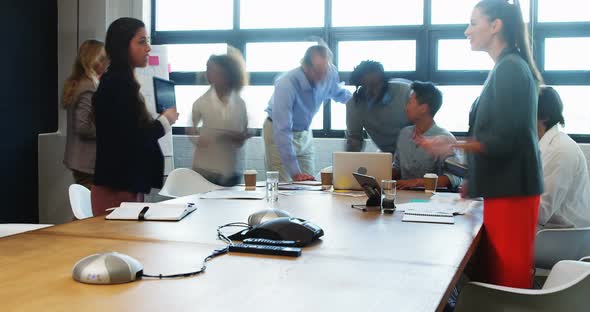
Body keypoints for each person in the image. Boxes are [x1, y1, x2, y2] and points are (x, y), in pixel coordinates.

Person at [418, 0, 543, 288]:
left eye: (474, 23)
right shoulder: (506, 66)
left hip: (512, 192)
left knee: (506, 285)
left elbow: (505, 140)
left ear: (496, 25)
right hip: (505, 190)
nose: (467, 31)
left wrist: (453, 145)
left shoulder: (510, 68)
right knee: (497, 278)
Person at [91, 17, 178, 216]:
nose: (148, 48)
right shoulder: (117, 84)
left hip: (126, 184)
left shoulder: (121, 82)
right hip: (116, 187)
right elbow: (134, 138)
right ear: (123, 45)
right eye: (141, 41)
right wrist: (166, 120)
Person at [264, 45, 352, 182]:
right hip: (278, 132)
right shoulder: (286, 83)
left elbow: (338, 93)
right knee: (284, 187)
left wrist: (359, 102)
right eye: (318, 71)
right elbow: (283, 129)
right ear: (305, 66)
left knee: (308, 185)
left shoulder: (329, 73)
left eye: (326, 70)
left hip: (304, 133)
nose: (323, 76)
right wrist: (294, 172)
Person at [191, 48, 249, 186]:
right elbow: (192, 131)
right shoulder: (200, 102)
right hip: (204, 171)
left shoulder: (240, 104)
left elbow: (242, 138)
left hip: (231, 172)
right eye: (207, 69)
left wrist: (236, 136)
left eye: (212, 69)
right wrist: (195, 136)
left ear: (226, 73)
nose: (208, 73)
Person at [537, 86, 590, 228]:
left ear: (544, 116)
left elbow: (541, 212)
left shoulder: (560, 151)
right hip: (548, 230)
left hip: (561, 237)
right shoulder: (543, 146)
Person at [393, 81, 462, 190]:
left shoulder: (445, 138)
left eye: (410, 103)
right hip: (402, 196)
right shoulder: (404, 134)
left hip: (431, 199)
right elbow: (397, 167)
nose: (406, 108)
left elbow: (455, 178)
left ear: (423, 108)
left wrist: (417, 182)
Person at [62, 39, 109, 189]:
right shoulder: (89, 86)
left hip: (79, 160)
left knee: (88, 207)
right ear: (95, 61)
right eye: (103, 59)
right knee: (90, 209)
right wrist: (108, 131)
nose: (106, 63)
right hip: (86, 161)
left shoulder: (79, 82)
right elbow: (82, 126)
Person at [345, 60, 411, 154]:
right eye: (363, 86)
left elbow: (424, 125)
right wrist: (350, 153)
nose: (368, 91)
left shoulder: (406, 92)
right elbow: (355, 138)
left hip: (413, 153)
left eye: (374, 85)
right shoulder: (354, 104)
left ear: (384, 82)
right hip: (386, 155)